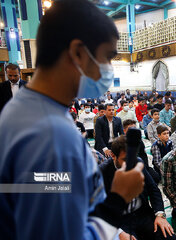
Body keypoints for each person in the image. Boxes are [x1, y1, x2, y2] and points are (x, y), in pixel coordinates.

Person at [0, 1, 145, 239]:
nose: (109, 69)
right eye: (107, 57)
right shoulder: (52, 135)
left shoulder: (25, 108)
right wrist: (118, 198)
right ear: (78, 53)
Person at [99, 135, 176, 240]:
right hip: (121, 221)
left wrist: (160, 215)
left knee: (169, 237)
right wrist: (119, 232)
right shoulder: (101, 172)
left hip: (143, 214)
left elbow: (153, 190)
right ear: (113, 155)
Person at [123, 119, 160, 184]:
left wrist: (144, 167)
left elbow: (143, 155)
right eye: (130, 129)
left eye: (134, 128)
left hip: (142, 166)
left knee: (156, 177)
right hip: (129, 170)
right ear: (125, 131)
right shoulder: (121, 143)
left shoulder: (139, 141)